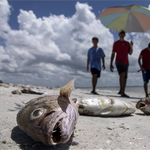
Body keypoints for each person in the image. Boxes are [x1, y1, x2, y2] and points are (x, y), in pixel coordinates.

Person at [110, 30, 133, 97]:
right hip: (119, 61)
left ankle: (122, 90)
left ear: (125, 35)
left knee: (125, 77)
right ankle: (122, 92)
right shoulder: (116, 43)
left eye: (123, 33)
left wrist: (131, 46)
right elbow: (113, 53)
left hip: (126, 62)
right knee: (122, 74)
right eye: (121, 33)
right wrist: (111, 63)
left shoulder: (127, 43)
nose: (122, 34)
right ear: (119, 34)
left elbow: (130, 53)